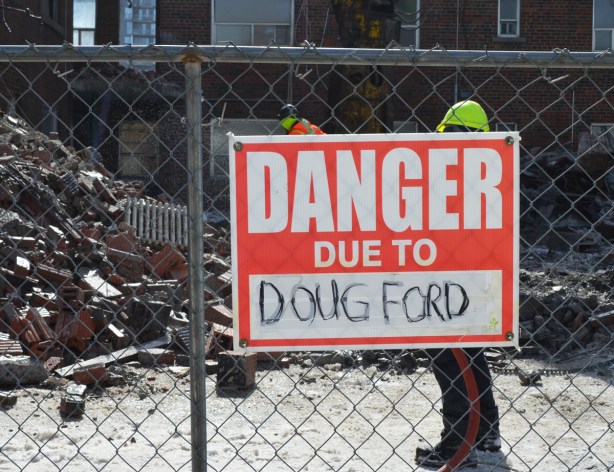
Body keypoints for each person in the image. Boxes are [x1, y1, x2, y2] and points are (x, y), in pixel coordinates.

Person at [415, 100, 501, 469]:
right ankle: (485, 433)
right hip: (476, 279)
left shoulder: (446, 170)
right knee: (470, 356)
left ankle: (457, 445)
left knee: (451, 361)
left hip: (447, 282)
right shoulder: (489, 168)